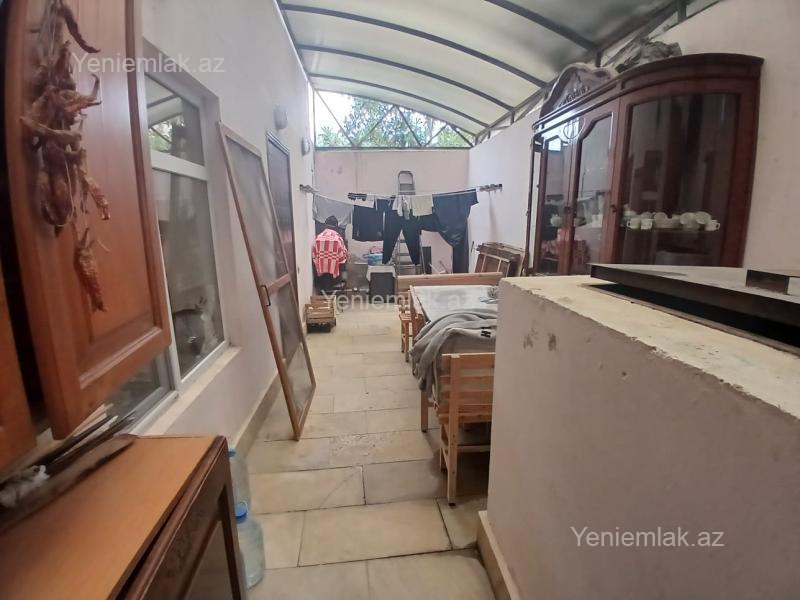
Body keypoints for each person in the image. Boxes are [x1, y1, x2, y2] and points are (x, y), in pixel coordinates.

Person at [312, 217, 348, 293]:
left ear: (325, 225)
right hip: (335, 266)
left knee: (324, 275)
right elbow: (343, 253)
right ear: (336, 226)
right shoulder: (338, 238)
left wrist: (321, 260)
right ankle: (338, 287)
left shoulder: (318, 237)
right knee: (341, 266)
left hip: (321, 266)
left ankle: (324, 291)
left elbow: (314, 254)